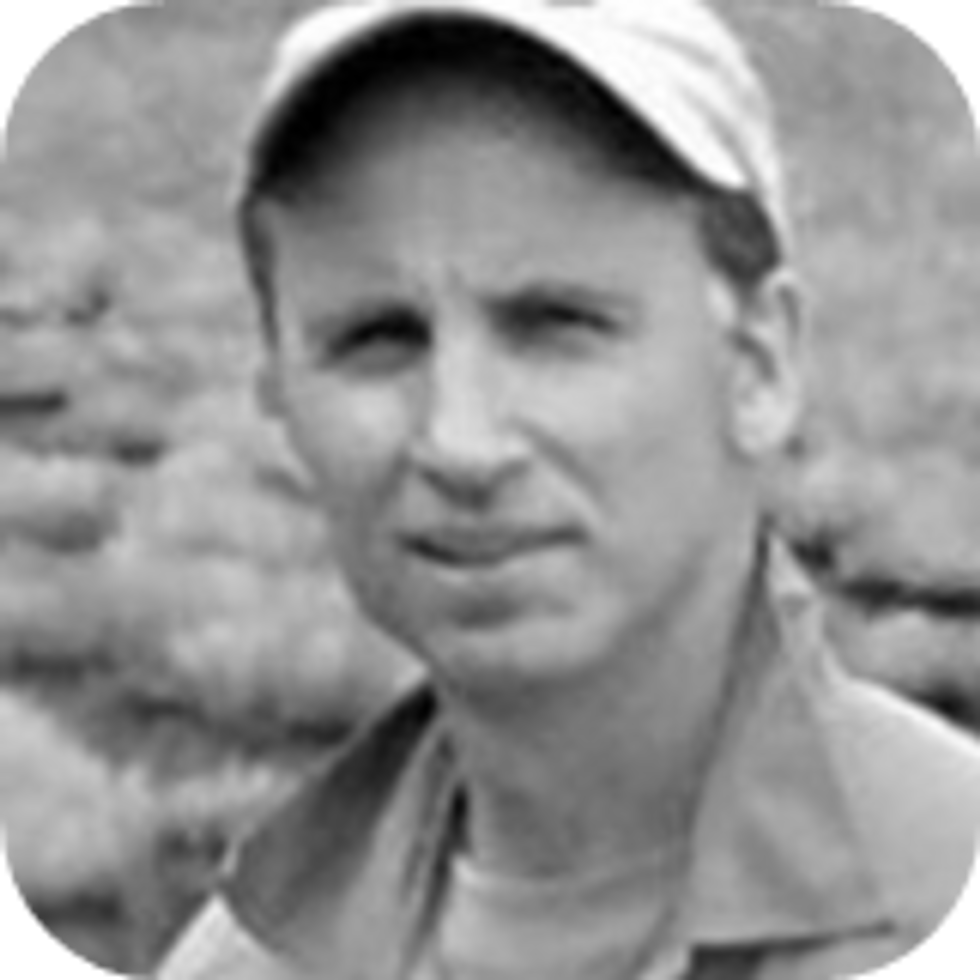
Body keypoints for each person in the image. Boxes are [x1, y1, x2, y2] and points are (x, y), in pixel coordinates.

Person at [156, 2, 979, 978]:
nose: (460, 441)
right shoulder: (245, 956)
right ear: (278, 397)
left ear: (759, 364)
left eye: (555, 324)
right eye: (377, 337)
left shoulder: (935, 895)